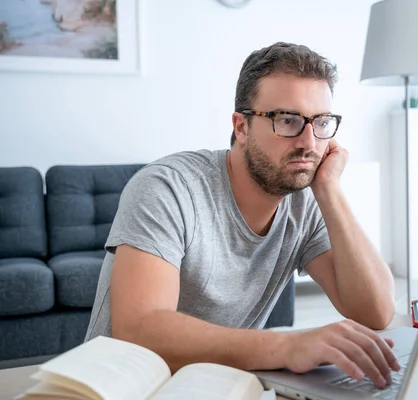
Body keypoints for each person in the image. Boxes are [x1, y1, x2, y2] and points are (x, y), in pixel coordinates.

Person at [85, 42, 398, 389]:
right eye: (288, 120)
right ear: (242, 127)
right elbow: (139, 329)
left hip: (214, 388)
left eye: (321, 122)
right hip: (120, 388)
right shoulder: (167, 188)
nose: (309, 142)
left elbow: (376, 311)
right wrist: (288, 346)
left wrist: (329, 190)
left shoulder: (304, 202)